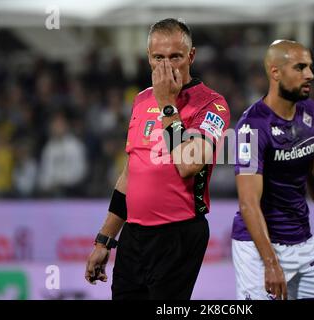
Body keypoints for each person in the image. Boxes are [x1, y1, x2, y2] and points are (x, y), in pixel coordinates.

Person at [85, 18, 230, 300]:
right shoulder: (141, 99)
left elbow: (189, 164)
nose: (166, 65)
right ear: (148, 58)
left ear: (191, 55)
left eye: (175, 56)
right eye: (158, 57)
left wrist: (167, 104)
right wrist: (104, 239)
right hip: (134, 236)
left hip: (178, 236)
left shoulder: (212, 104)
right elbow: (130, 174)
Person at [232, 40, 314, 300]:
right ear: (275, 72)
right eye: (300, 67)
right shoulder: (250, 127)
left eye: (309, 66)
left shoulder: (312, 112)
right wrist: (272, 264)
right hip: (259, 248)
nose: (310, 74)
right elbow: (248, 203)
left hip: (302, 241)